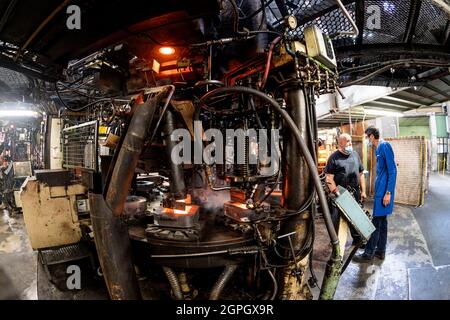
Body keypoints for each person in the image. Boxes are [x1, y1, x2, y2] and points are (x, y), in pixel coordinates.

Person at [353, 126, 397, 262]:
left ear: (371, 136)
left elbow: (393, 171)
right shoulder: (379, 148)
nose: (367, 140)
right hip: (381, 191)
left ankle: (368, 253)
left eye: (367, 137)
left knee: (376, 223)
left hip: (384, 192)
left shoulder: (384, 146)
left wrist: (388, 193)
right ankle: (380, 251)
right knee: (382, 223)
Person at [325, 133, 367, 246]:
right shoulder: (333, 158)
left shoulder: (355, 155)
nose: (350, 143)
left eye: (350, 141)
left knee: (356, 217)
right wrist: (336, 193)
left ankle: (357, 239)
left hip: (355, 193)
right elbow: (329, 179)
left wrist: (363, 191)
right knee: (338, 220)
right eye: (348, 141)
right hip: (340, 194)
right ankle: (336, 243)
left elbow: (361, 173)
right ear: (341, 143)